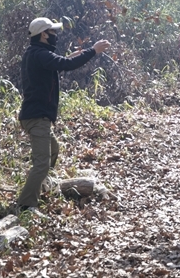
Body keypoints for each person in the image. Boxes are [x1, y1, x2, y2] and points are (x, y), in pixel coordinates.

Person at [17, 17, 111, 215]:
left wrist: (72, 56)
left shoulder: (36, 53)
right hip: (37, 117)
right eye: (52, 33)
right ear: (43, 35)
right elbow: (67, 65)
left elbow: (59, 63)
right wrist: (92, 51)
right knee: (41, 163)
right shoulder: (39, 54)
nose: (55, 36)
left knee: (53, 149)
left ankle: (42, 184)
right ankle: (26, 205)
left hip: (36, 116)